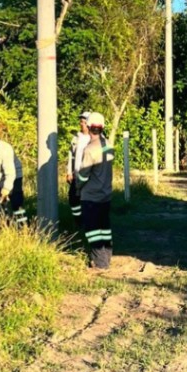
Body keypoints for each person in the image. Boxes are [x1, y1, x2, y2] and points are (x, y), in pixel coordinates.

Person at [75, 112, 114, 269]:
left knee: (93, 230)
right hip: (106, 195)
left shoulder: (90, 149)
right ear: (102, 127)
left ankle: (100, 263)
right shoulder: (109, 145)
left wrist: (77, 187)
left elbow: (83, 175)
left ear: (89, 127)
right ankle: (107, 257)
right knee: (104, 228)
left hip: (91, 196)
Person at [66, 111, 92, 222]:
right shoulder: (76, 138)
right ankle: (78, 221)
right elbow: (71, 155)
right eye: (81, 122)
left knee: (88, 199)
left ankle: (89, 221)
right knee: (73, 198)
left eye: (84, 122)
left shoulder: (95, 138)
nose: (81, 124)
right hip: (76, 175)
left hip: (89, 176)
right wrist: (69, 172)